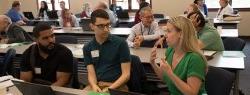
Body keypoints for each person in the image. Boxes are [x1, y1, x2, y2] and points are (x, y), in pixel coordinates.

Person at [150, 16, 207, 95]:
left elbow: (192, 93)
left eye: (169, 31)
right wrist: (153, 63)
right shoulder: (170, 51)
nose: (165, 35)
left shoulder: (194, 58)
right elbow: (164, 78)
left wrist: (170, 73)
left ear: (180, 34)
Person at [83, 9, 131, 92]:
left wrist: (110, 88)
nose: (106, 29)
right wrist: (94, 85)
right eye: (101, 26)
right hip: (98, 84)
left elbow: (126, 74)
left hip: (117, 85)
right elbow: (91, 74)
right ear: (92, 26)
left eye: (107, 25)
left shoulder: (121, 43)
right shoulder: (87, 47)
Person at [20, 22, 73, 87]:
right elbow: (25, 81)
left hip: (56, 90)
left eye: (52, 36)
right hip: (36, 89)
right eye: (45, 38)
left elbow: (61, 82)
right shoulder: (28, 54)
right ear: (36, 40)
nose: (51, 40)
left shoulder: (64, 53)